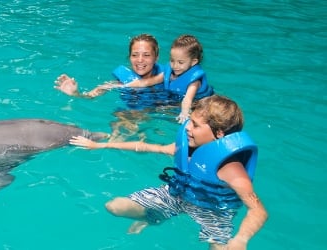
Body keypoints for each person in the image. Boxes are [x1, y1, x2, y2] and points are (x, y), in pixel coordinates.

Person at [69, 95, 267, 249]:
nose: (187, 128)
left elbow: (258, 211)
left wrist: (241, 239)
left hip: (213, 210)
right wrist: (100, 146)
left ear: (219, 134)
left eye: (195, 125)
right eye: (190, 121)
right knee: (114, 206)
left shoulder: (231, 169)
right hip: (177, 195)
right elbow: (145, 147)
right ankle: (154, 217)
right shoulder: (185, 147)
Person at [54, 33, 173, 141]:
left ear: (156, 57)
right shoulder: (122, 81)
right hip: (133, 117)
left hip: (165, 113)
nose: (140, 60)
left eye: (146, 55)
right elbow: (91, 95)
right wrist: (75, 93)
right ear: (129, 57)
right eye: (135, 55)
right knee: (121, 122)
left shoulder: (171, 76)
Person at [124, 34, 214, 123]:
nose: (175, 66)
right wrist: (122, 86)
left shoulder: (194, 82)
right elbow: (147, 82)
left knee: (157, 109)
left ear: (193, 62)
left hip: (195, 104)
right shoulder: (170, 73)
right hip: (174, 100)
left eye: (180, 62)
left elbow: (187, 100)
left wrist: (184, 114)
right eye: (172, 61)